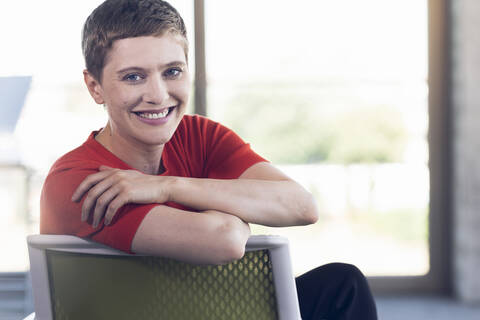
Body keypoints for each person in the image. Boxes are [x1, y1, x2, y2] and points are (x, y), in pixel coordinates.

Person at [40, 0, 377, 319]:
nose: (158, 95)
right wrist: (237, 205)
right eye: (133, 77)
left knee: (342, 285)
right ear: (95, 86)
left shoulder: (197, 135)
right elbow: (225, 240)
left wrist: (165, 187)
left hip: (207, 307)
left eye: (172, 72)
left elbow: (302, 206)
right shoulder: (76, 180)